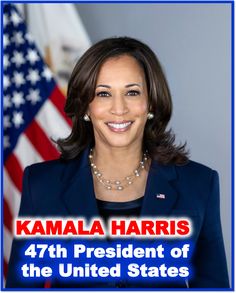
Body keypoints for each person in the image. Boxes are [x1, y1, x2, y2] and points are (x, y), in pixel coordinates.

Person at [6, 37, 229, 288]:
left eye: (132, 92)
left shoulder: (199, 184)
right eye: (103, 94)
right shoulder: (42, 185)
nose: (119, 108)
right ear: (86, 107)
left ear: (151, 103)